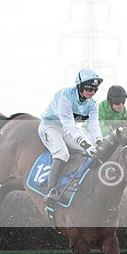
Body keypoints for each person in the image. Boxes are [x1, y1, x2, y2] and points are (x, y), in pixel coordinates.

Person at [39, 68, 104, 206]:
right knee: (62, 153)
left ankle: (75, 183)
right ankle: (51, 191)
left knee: (90, 150)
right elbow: (69, 126)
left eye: (95, 89)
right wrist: (84, 143)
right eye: (89, 88)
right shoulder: (65, 97)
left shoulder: (92, 104)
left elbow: (94, 125)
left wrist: (98, 140)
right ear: (79, 85)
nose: (92, 92)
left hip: (68, 129)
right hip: (50, 127)